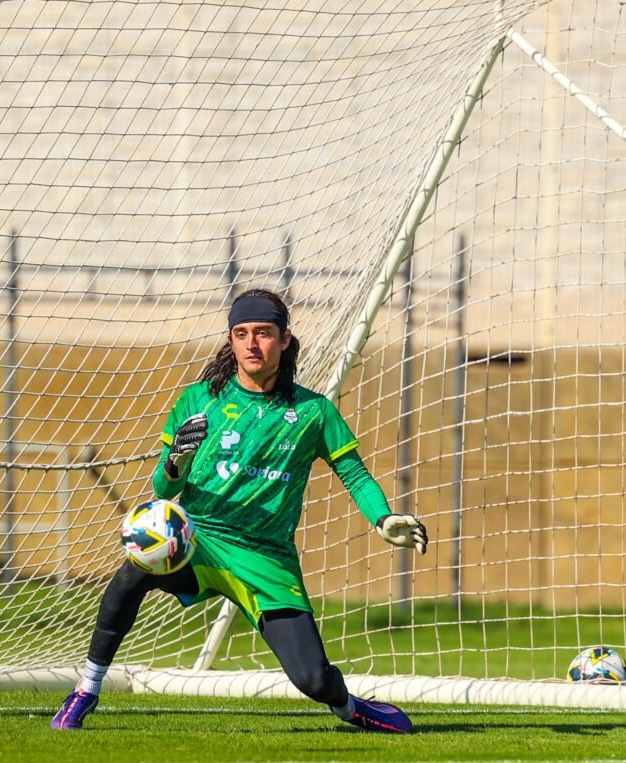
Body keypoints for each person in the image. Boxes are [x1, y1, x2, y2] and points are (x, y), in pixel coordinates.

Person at [51, 288, 427, 734]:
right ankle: (86, 690)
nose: (252, 343)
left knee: (312, 679)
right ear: (230, 341)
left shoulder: (313, 411)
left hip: (265, 557)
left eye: (263, 333)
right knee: (134, 568)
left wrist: (383, 518)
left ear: (285, 340)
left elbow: (354, 475)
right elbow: (162, 487)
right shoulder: (198, 400)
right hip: (199, 540)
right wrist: (176, 464)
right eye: (241, 333)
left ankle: (348, 706)